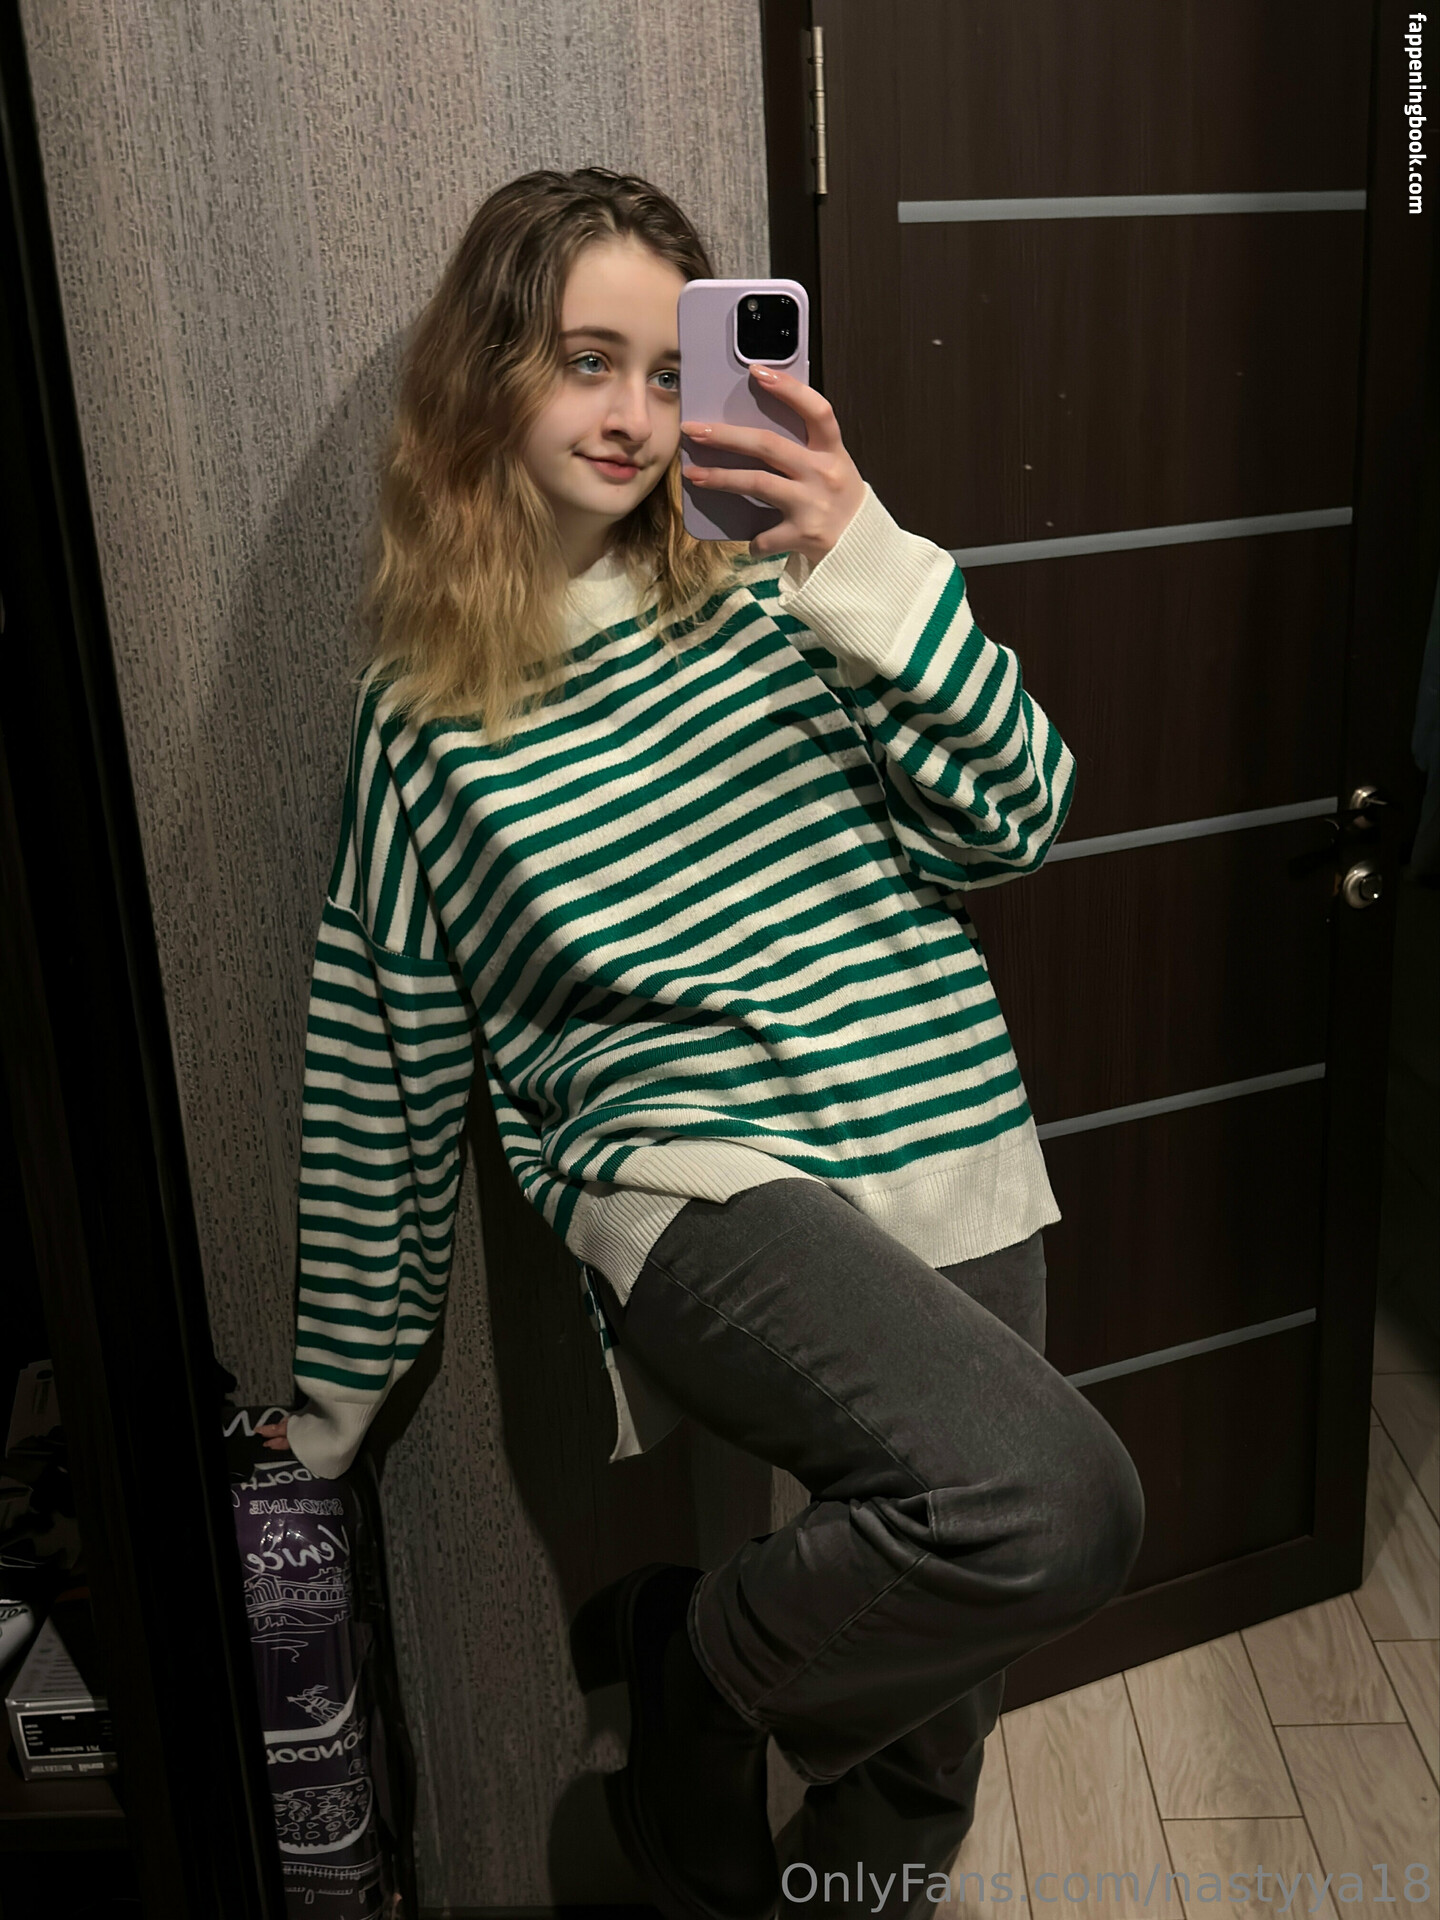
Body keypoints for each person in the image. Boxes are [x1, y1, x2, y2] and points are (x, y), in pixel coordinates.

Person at [258, 168, 1145, 1920]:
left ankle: (759, 1787)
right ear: (489, 371)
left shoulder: (783, 596)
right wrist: (338, 1405)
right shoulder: (424, 714)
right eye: (586, 360)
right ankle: (689, 1668)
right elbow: (384, 1050)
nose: (633, 414)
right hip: (695, 1172)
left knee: (931, 1744)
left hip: (940, 1126)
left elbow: (1019, 818)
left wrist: (860, 554)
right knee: (1054, 1505)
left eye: (672, 372)